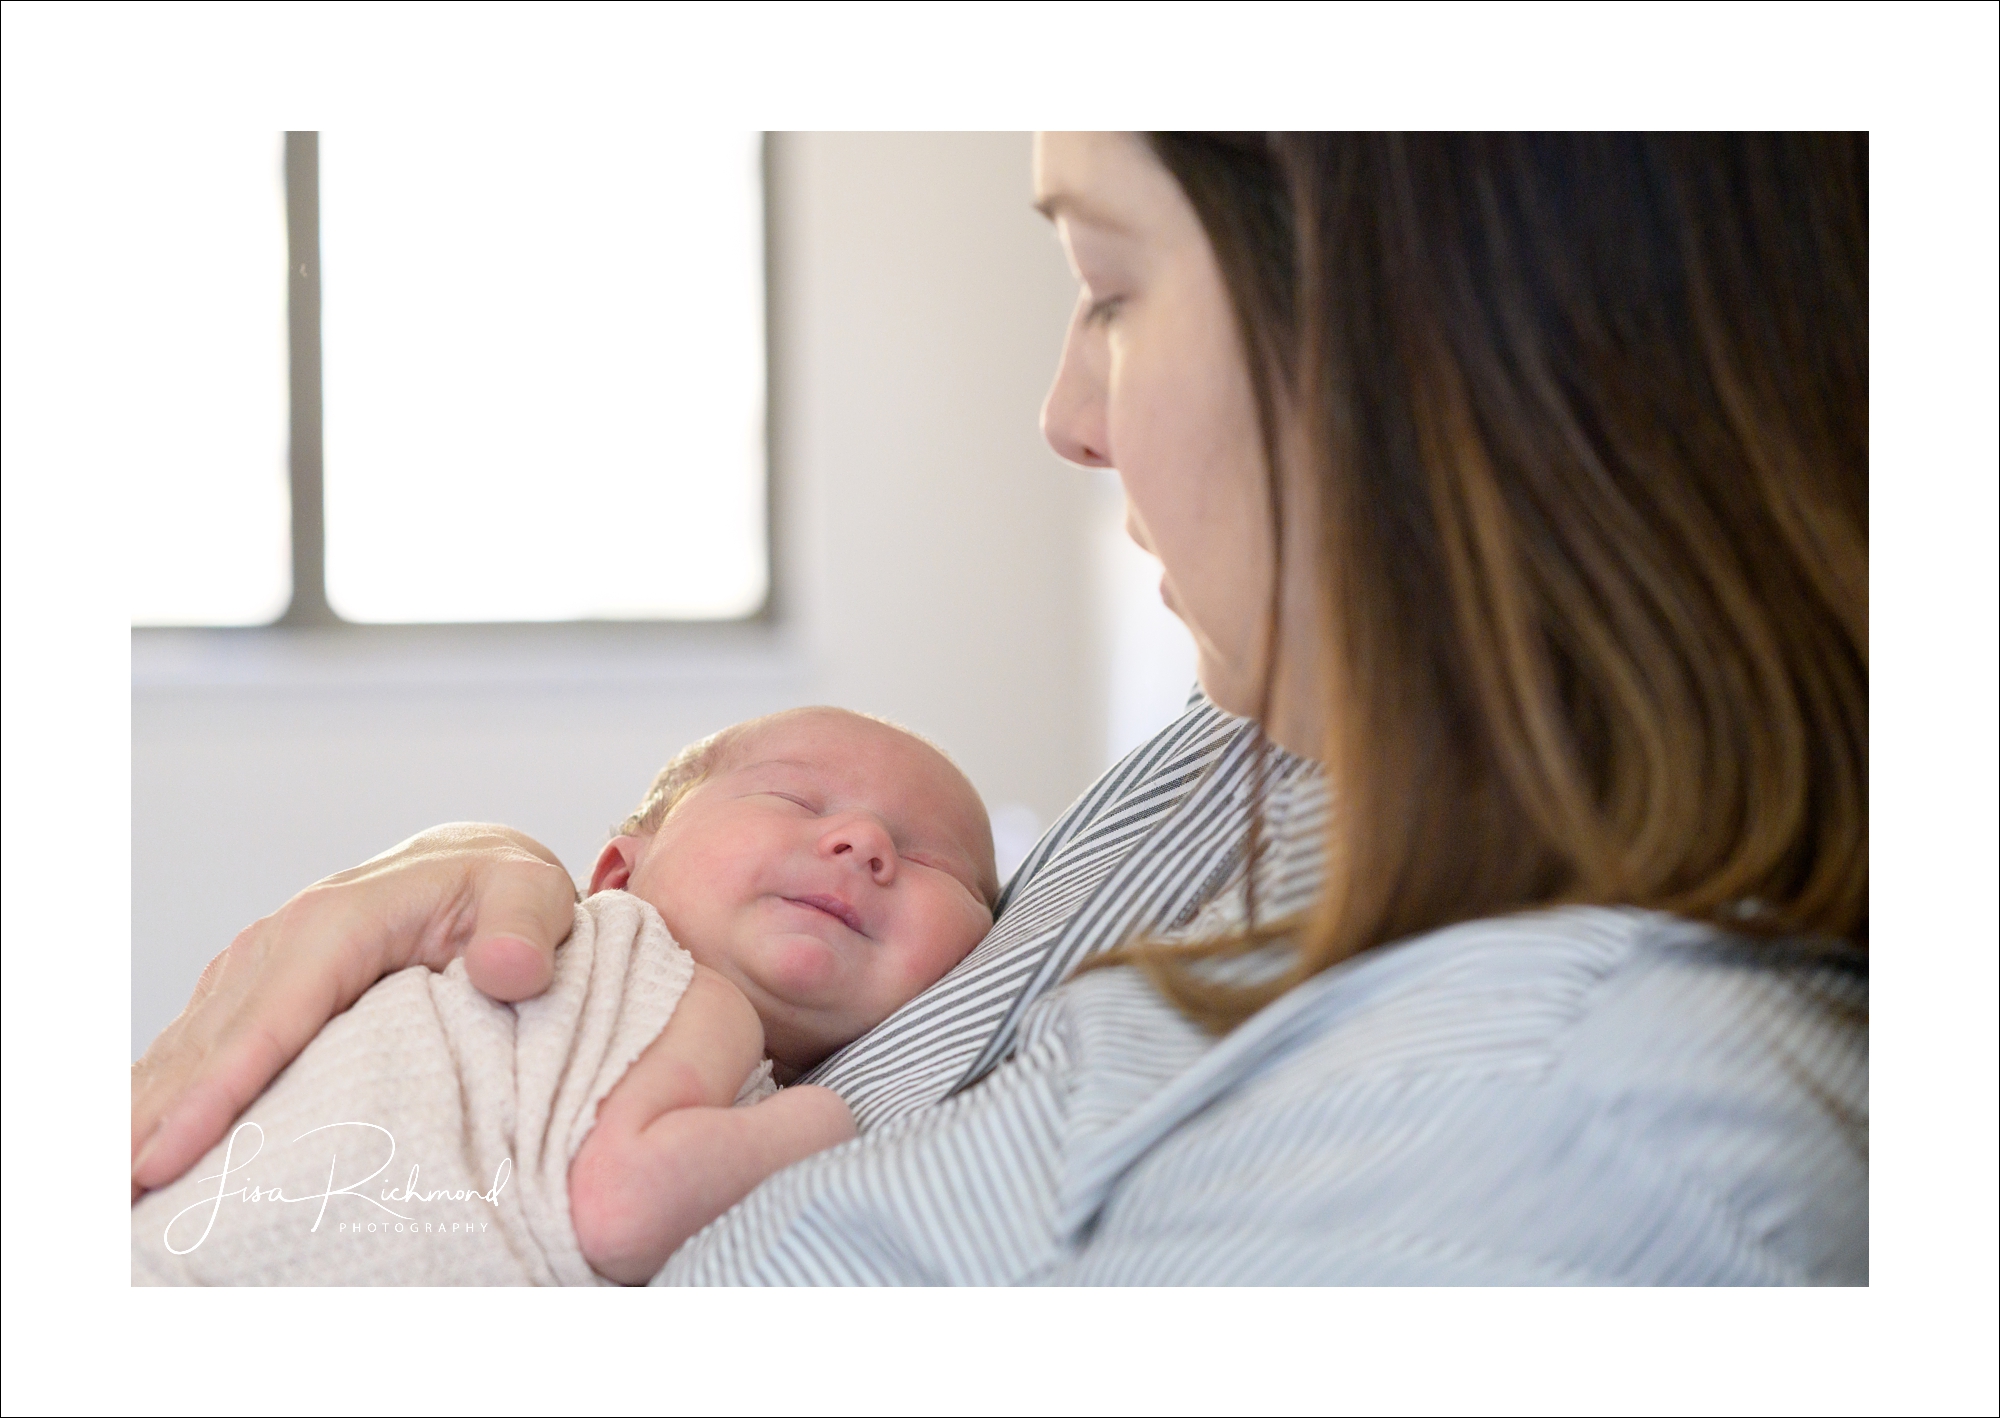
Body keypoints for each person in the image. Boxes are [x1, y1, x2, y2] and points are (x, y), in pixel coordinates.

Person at [132, 131, 1869, 1284]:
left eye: (1112, 285)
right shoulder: (1264, 748)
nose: (1065, 414)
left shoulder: (1558, 1134)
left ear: (1452, 335)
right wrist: (488, 874)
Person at [133, 706, 1000, 1284]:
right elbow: (623, 1205)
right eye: (794, 797)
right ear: (621, 871)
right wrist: (831, 1120)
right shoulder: (680, 986)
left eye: (931, 861)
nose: (862, 843)